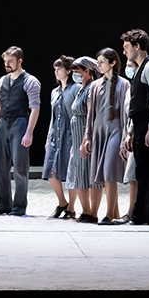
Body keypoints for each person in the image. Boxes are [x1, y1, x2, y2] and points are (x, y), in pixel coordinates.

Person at [0, 46, 41, 216]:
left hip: (20, 122)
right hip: (3, 123)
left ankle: (19, 206)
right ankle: (4, 204)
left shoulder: (30, 81)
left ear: (20, 61)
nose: (7, 64)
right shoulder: (3, 80)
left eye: (10, 61)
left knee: (20, 167)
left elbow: (35, 108)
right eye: (5, 61)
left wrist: (29, 132)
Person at [121, 29, 149, 225]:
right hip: (141, 124)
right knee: (148, 171)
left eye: (126, 47)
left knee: (144, 172)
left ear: (137, 46)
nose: (124, 52)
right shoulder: (140, 69)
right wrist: (131, 131)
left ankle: (138, 216)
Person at [82, 47, 130, 225]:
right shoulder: (95, 85)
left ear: (113, 62)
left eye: (102, 62)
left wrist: (126, 137)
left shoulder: (123, 85)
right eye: (98, 62)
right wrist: (87, 136)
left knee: (110, 173)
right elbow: (91, 114)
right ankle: (114, 212)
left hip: (116, 131)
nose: (99, 65)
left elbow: (126, 113)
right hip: (99, 132)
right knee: (103, 174)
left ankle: (109, 214)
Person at [42, 57, 79, 219]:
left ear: (68, 70)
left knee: (71, 172)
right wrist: (48, 138)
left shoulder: (76, 88)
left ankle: (71, 207)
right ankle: (62, 202)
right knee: (50, 170)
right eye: (55, 69)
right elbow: (53, 116)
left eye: (59, 69)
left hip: (70, 133)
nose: (56, 72)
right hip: (55, 134)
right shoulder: (54, 92)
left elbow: (77, 114)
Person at [65, 57, 101, 221]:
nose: (75, 75)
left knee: (89, 176)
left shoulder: (91, 88)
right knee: (78, 175)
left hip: (85, 136)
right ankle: (85, 210)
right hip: (77, 137)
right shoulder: (81, 89)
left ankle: (92, 212)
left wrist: (87, 138)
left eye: (77, 71)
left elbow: (91, 115)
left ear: (87, 71)